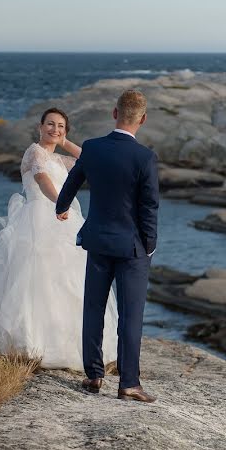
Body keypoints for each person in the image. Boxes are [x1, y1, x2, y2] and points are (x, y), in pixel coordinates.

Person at [0, 108, 118, 369]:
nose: (55, 129)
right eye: (50, 124)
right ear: (40, 127)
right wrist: (61, 204)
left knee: (68, 282)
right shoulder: (34, 152)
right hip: (40, 217)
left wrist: (65, 143)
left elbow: (90, 158)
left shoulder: (61, 159)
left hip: (63, 219)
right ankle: (31, 343)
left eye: (61, 126)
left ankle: (71, 345)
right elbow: (42, 180)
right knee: (37, 280)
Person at [56, 90, 160, 403]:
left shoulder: (92, 148)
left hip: (98, 242)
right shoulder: (145, 157)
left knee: (93, 308)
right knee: (131, 316)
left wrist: (60, 206)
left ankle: (93, 375)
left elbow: (71, 184)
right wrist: (150, 244)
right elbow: (149, 206)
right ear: (142, 119)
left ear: (114, 113)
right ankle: (128, 383)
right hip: (132, 249)